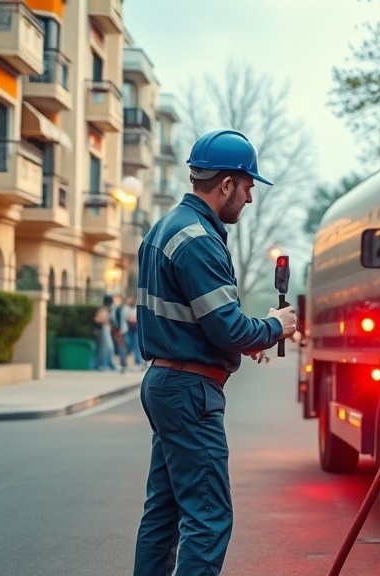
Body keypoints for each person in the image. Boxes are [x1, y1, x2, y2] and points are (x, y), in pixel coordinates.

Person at [132, 129, 297, 576]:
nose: (248, 198)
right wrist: (273, 327)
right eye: (247, 187)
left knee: (162, 515)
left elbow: (195, 320)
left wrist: (241, 338)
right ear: (226, 184)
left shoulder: (163, 229)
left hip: (166, 382)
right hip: (189, 391)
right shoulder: (200, 239)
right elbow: (226, 325)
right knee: (208, 519)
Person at [93, 295, 116, 371]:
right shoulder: (103, 310)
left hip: (106, 330)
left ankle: (107, 364)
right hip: (103, 330)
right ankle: (101, 365)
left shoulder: (107, 310)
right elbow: (97, 319)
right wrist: (105, 321)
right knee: (104, 348)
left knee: (109, 348)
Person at [124, 293, 144, 370]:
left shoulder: (137, 309)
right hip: (129, 330)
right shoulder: (127, 309)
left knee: (137, 347)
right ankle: (127, 363)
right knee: (128, 346)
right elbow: (126, 319)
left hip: (136, 330)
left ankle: (138, 362)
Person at [110, 293, 130, 373]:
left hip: (123, 330)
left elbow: (126, 319)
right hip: (115, 330)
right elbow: (112, 318)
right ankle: (121, 364)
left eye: (117, 299)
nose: (115, 300)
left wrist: (121, 329)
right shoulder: (114, 308)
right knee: (118, 347)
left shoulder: (125, 308)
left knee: (122, 347)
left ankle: (123, 364)